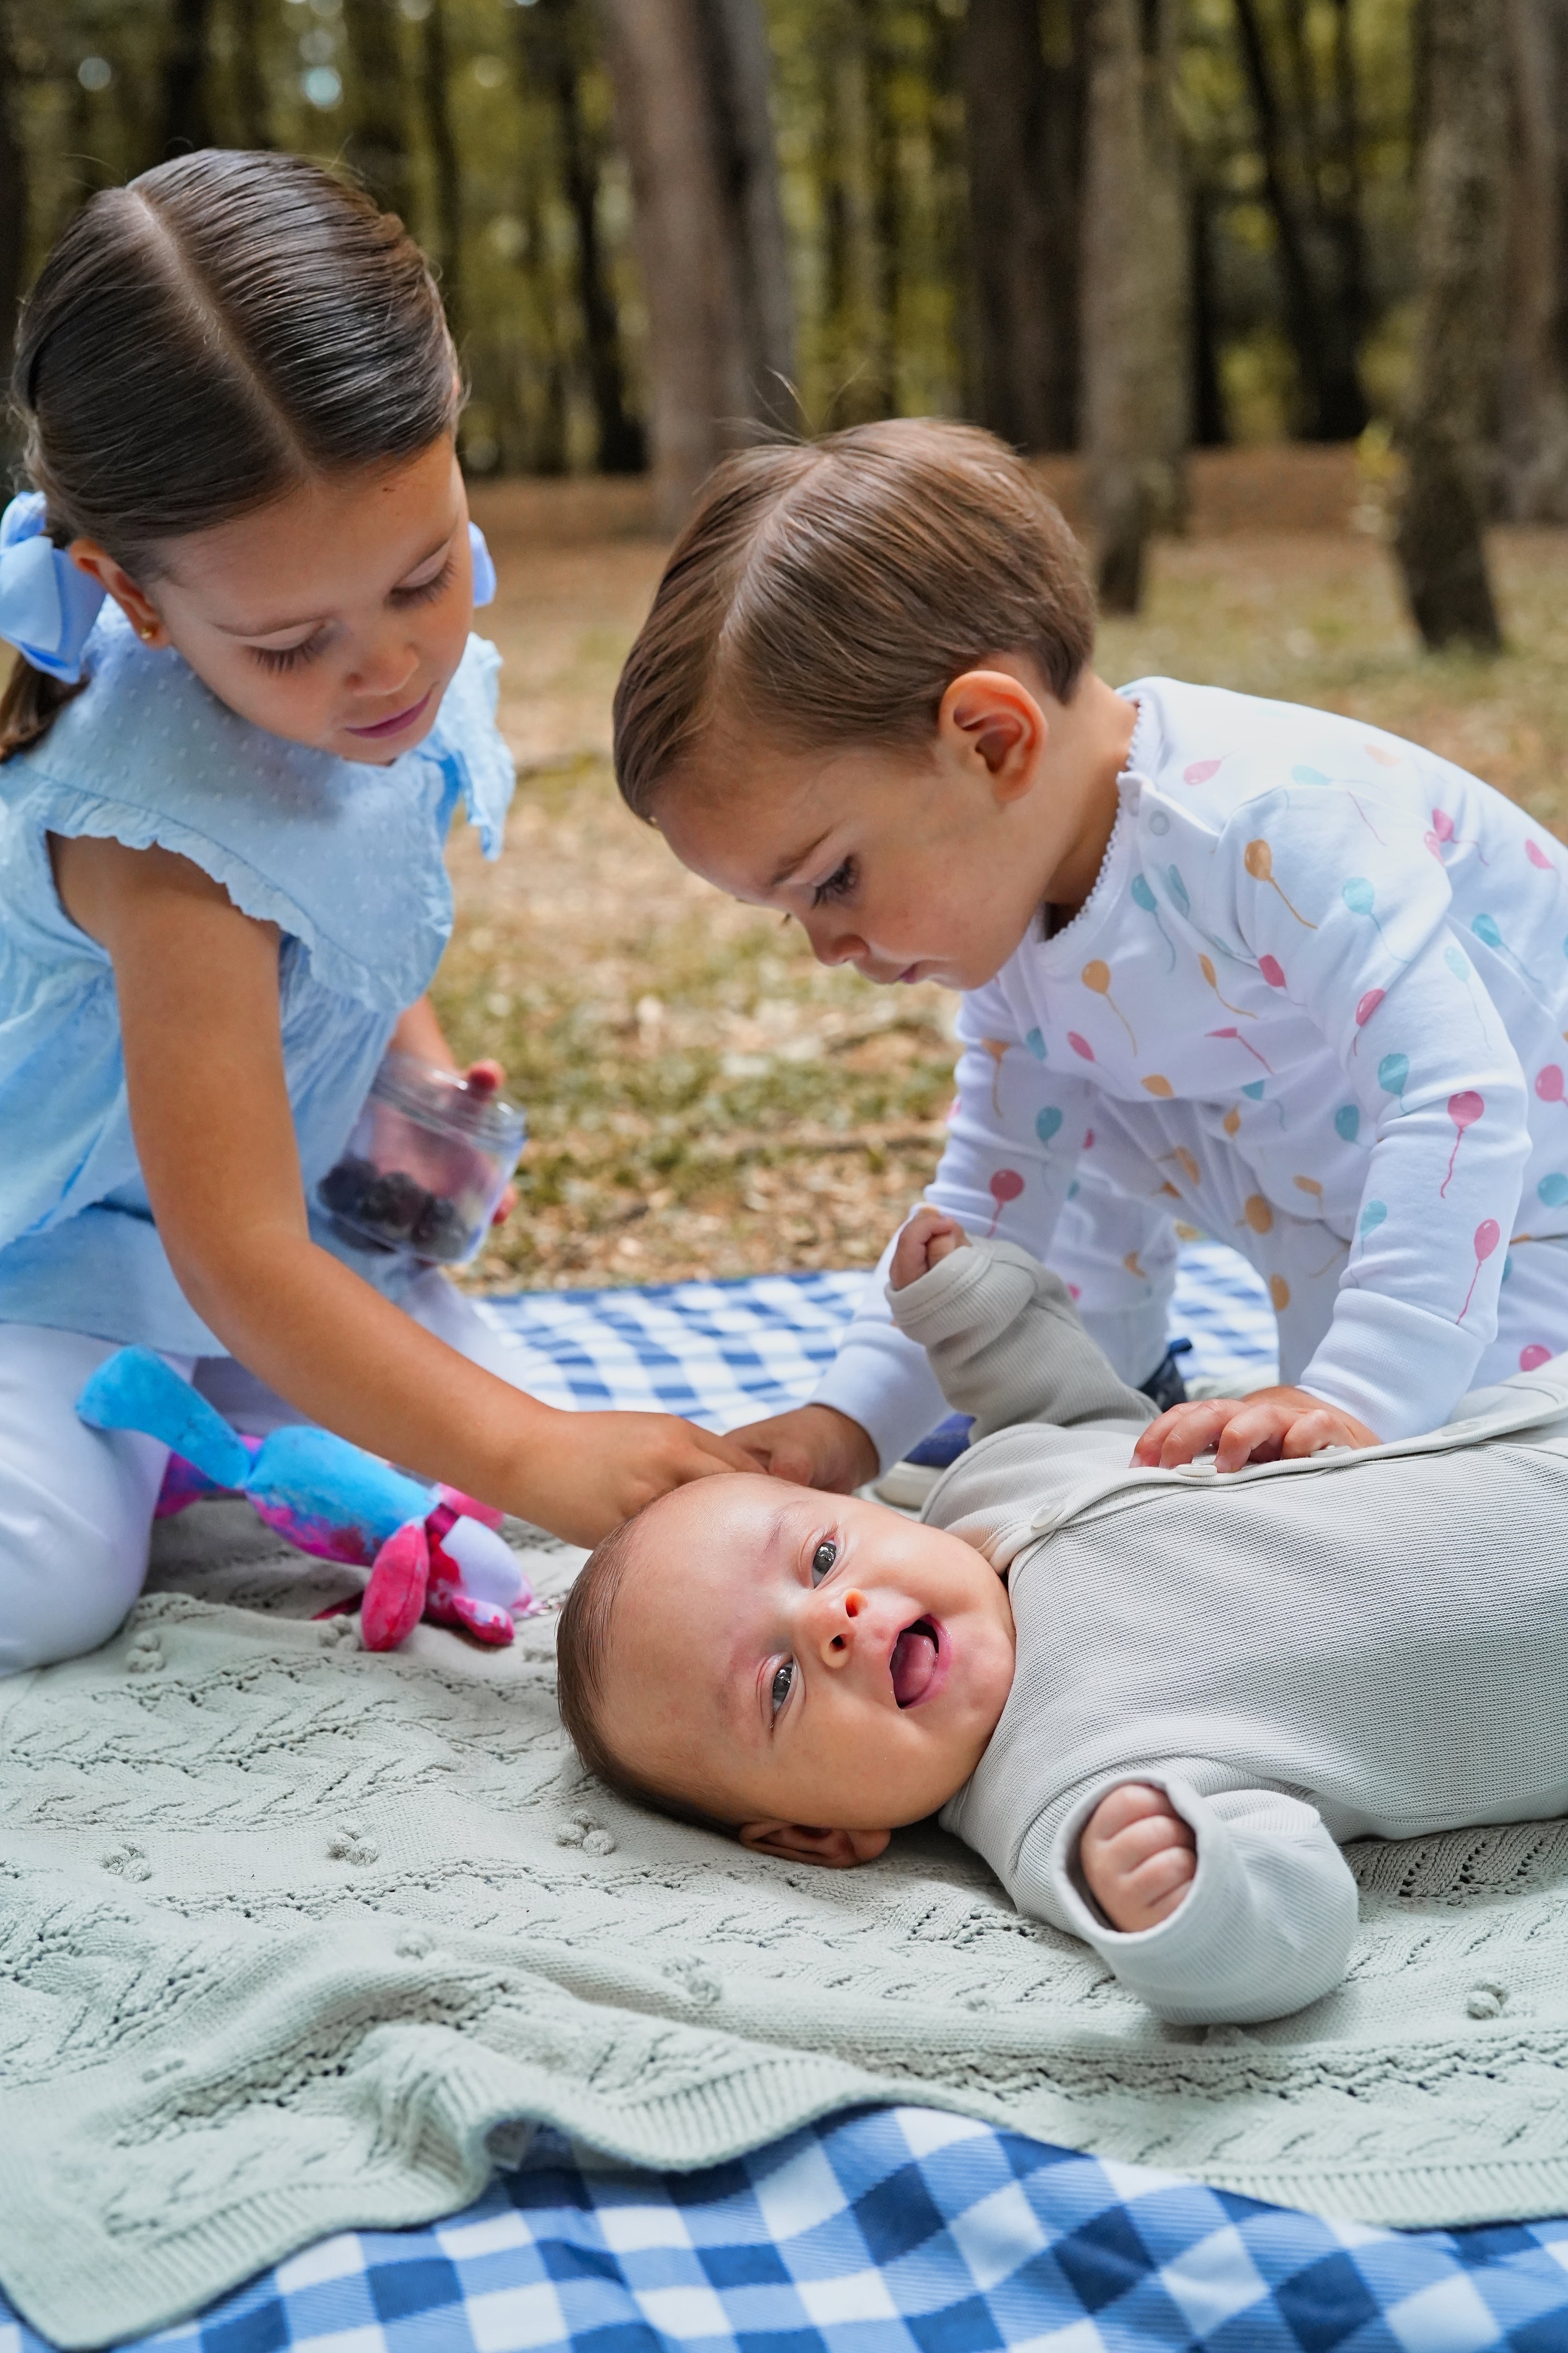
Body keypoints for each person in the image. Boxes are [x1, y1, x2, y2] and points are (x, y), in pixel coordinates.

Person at [0, 149, 752, 1675]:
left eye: (421, 578)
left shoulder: (370, 691)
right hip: (58, 1277)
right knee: (44, 1578)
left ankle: (206, 1447)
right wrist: (531, 1449)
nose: (388, 670)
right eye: (293, 643)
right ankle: (171, 1450)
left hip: (271, 1257)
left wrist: (406, 1074)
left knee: (531, 1504)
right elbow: (236, 1255)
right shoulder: (168, 836)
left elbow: (345, 904)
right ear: (131, 601)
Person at [610, 418, 1568, 1494]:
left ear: (992, 741)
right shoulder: (1014, 920)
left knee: (1464, 1530)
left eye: (833, 879)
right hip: (1339, 1219)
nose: (828, 949)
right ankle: (1111, 1391)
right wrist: (851, 1425)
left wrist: (1362, 1392)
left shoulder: (1265, 823)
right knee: (1066, 1114)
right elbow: (989, 1194)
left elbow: (1461, 1103)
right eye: (788, 913)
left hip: (1528, 1210)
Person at [555, 1208, 1568, 2025]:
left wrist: (973, 1311)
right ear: (815, 1836)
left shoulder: (988, 1487)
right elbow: (1291, 1937)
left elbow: (1067, 1401)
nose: (833, 1617)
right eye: (778, 1683)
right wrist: (1188, 1907)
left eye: (822, 1555)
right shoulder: (1066, 1801)